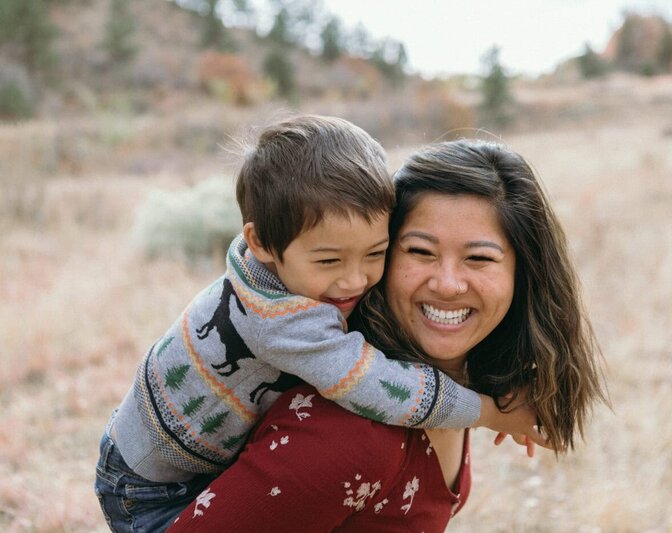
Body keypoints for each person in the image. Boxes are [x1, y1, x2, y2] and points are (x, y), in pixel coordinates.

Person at [94, 118, 544, 533]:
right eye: (330, 259)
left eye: (374, 254)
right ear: (262, 242)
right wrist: (487, 410)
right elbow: (373, 384)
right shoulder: (284, 322)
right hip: (150, 488)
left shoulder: (287, 266)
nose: (353, 280)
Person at [168, 139, 608, 532]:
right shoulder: (355, 435)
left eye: (479, 258)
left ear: (522, 275)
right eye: (420, 251)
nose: (448, 284)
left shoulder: (446, 382)